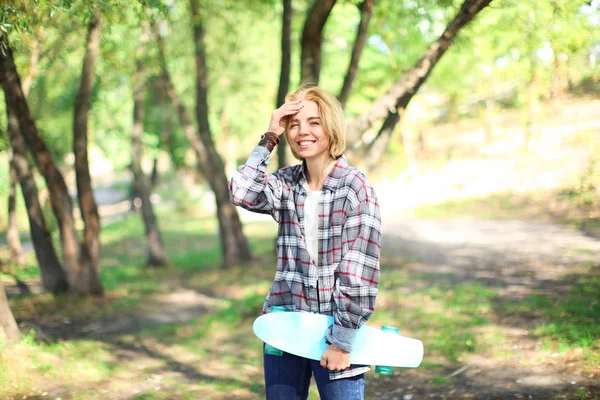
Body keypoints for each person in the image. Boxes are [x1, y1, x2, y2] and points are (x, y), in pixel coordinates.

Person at [229, 84, 382, 400]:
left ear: (331, 126)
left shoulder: (355, 188)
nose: (303, 132)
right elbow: (241, 192)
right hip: (285, 326)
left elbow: (360, 272)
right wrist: (269, 136)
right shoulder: (285, 183)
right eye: (294, 124)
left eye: (314, 122)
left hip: (336, 331)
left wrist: (342, 340)